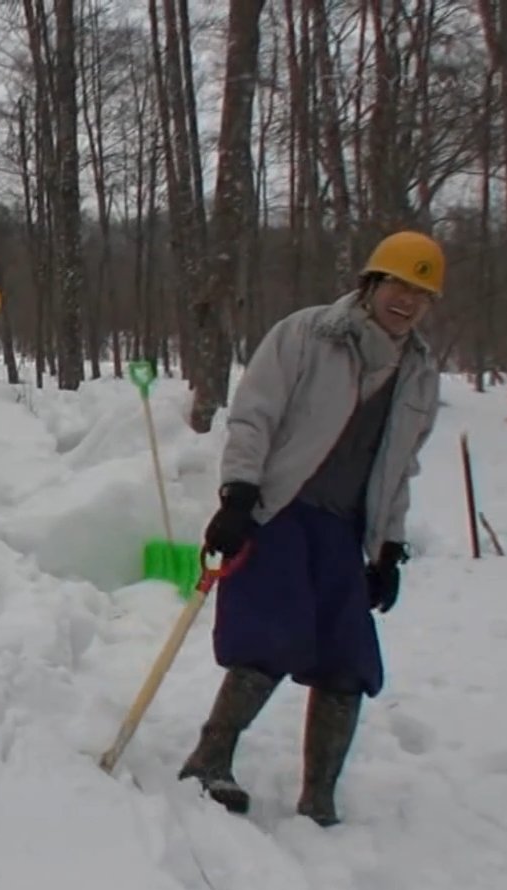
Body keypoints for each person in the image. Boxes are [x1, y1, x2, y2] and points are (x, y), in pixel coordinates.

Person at [178, 230, 445, 827]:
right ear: (372, 283)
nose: (406, 300)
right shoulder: (309, 334)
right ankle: (209, 759)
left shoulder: (419, 373)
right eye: (398, 284)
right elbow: (255, 414)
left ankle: (318, 796)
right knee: (267, 641)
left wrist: (388, 548)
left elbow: (399, 465)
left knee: (348, 661)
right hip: (279, 511)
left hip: (344, 530)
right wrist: (238, 494)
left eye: (421, 293)